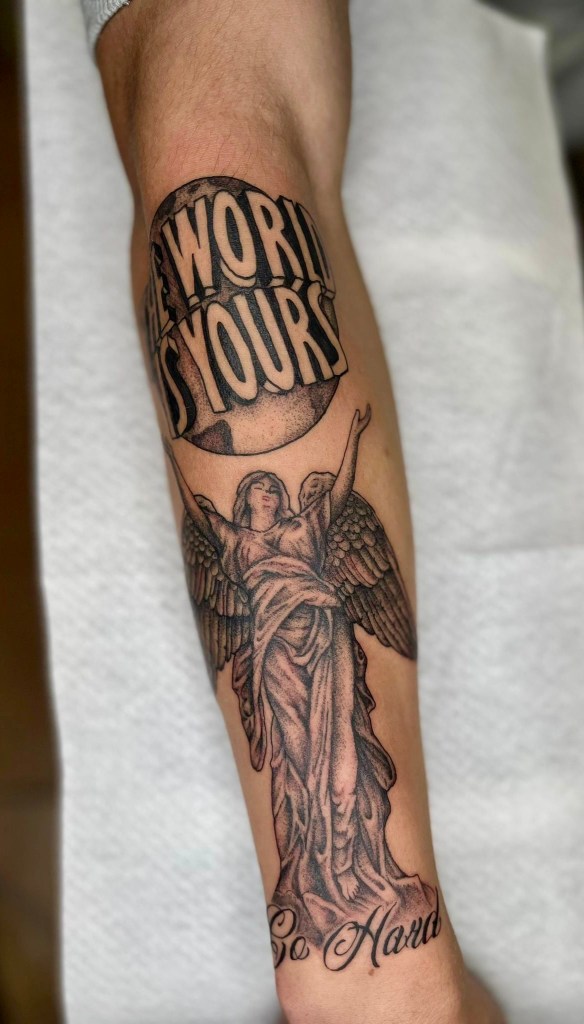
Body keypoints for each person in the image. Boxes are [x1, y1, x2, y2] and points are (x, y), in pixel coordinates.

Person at [92, 1, 505, 1020]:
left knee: (340, 768)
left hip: (319, 639)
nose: (269, 493)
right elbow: (210, 164)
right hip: (285, 648)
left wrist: (343, 447)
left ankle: (362, 928)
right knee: (310, 776)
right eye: (263, 492)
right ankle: (365, 970)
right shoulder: (247, 537)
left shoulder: (302, 530)